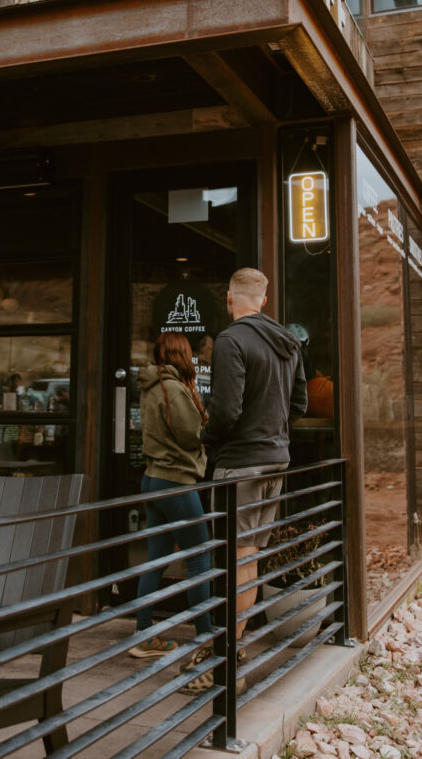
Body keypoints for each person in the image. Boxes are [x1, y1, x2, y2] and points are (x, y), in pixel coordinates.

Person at [182, 267, 307, 693]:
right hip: (275, 460)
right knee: (246, 558)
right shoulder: (288, 340)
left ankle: (225, 662)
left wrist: (205, 438)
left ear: (229, 298)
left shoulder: (231, 340)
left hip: (240, 464)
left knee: (233, 561)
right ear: (264, 301)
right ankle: (230, 651)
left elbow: (226, 411)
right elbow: (300, 403)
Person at [128, 331, 213, 661]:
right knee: (199, 559)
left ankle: (144, 633)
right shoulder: (174, 389)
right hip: (175, 481)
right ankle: (206, 635)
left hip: (152, 479)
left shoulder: (151, 386)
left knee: (156, 559)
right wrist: (204, 419)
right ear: (181, 355)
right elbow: (191, 435)